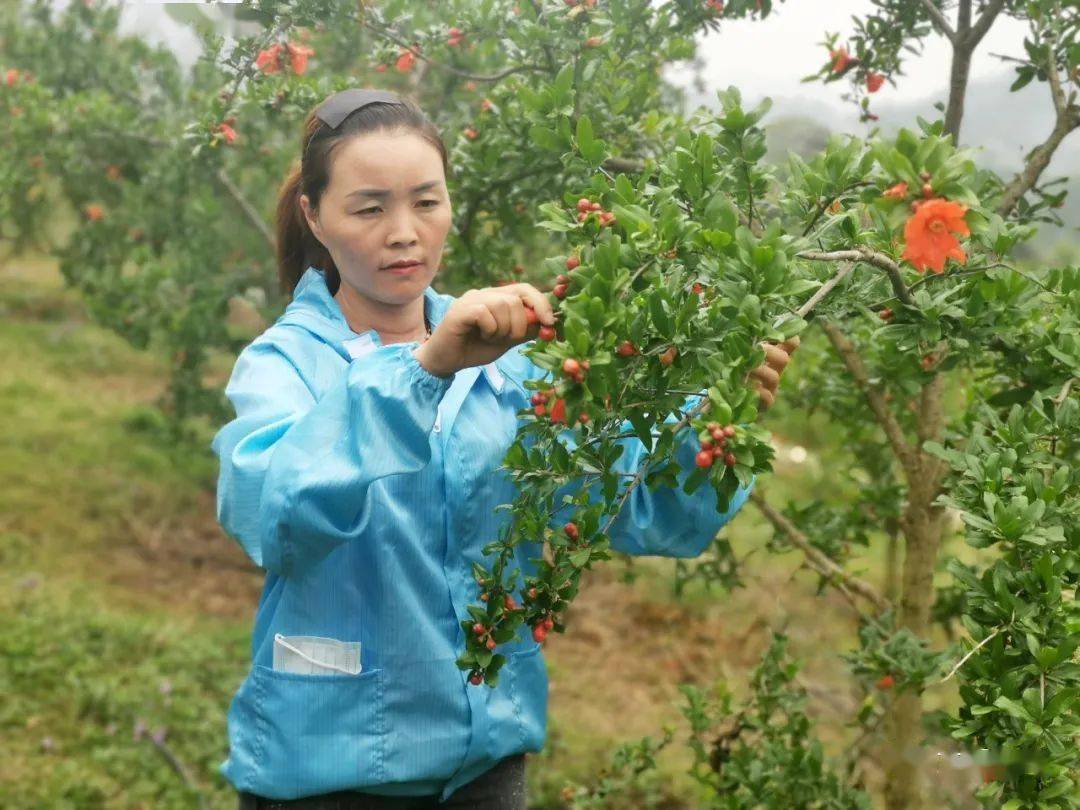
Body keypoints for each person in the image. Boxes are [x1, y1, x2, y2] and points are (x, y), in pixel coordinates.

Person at [211, 88, 796, 810]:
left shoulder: (507, 363)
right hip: (331, 772)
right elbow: (272, 515)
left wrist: (716, 425)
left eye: (427, 202)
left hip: (485, 769)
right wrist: (426, 371)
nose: (404, 233)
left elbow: (638, 507)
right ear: (315, 217)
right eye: (369, 208)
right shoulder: (285, 366)